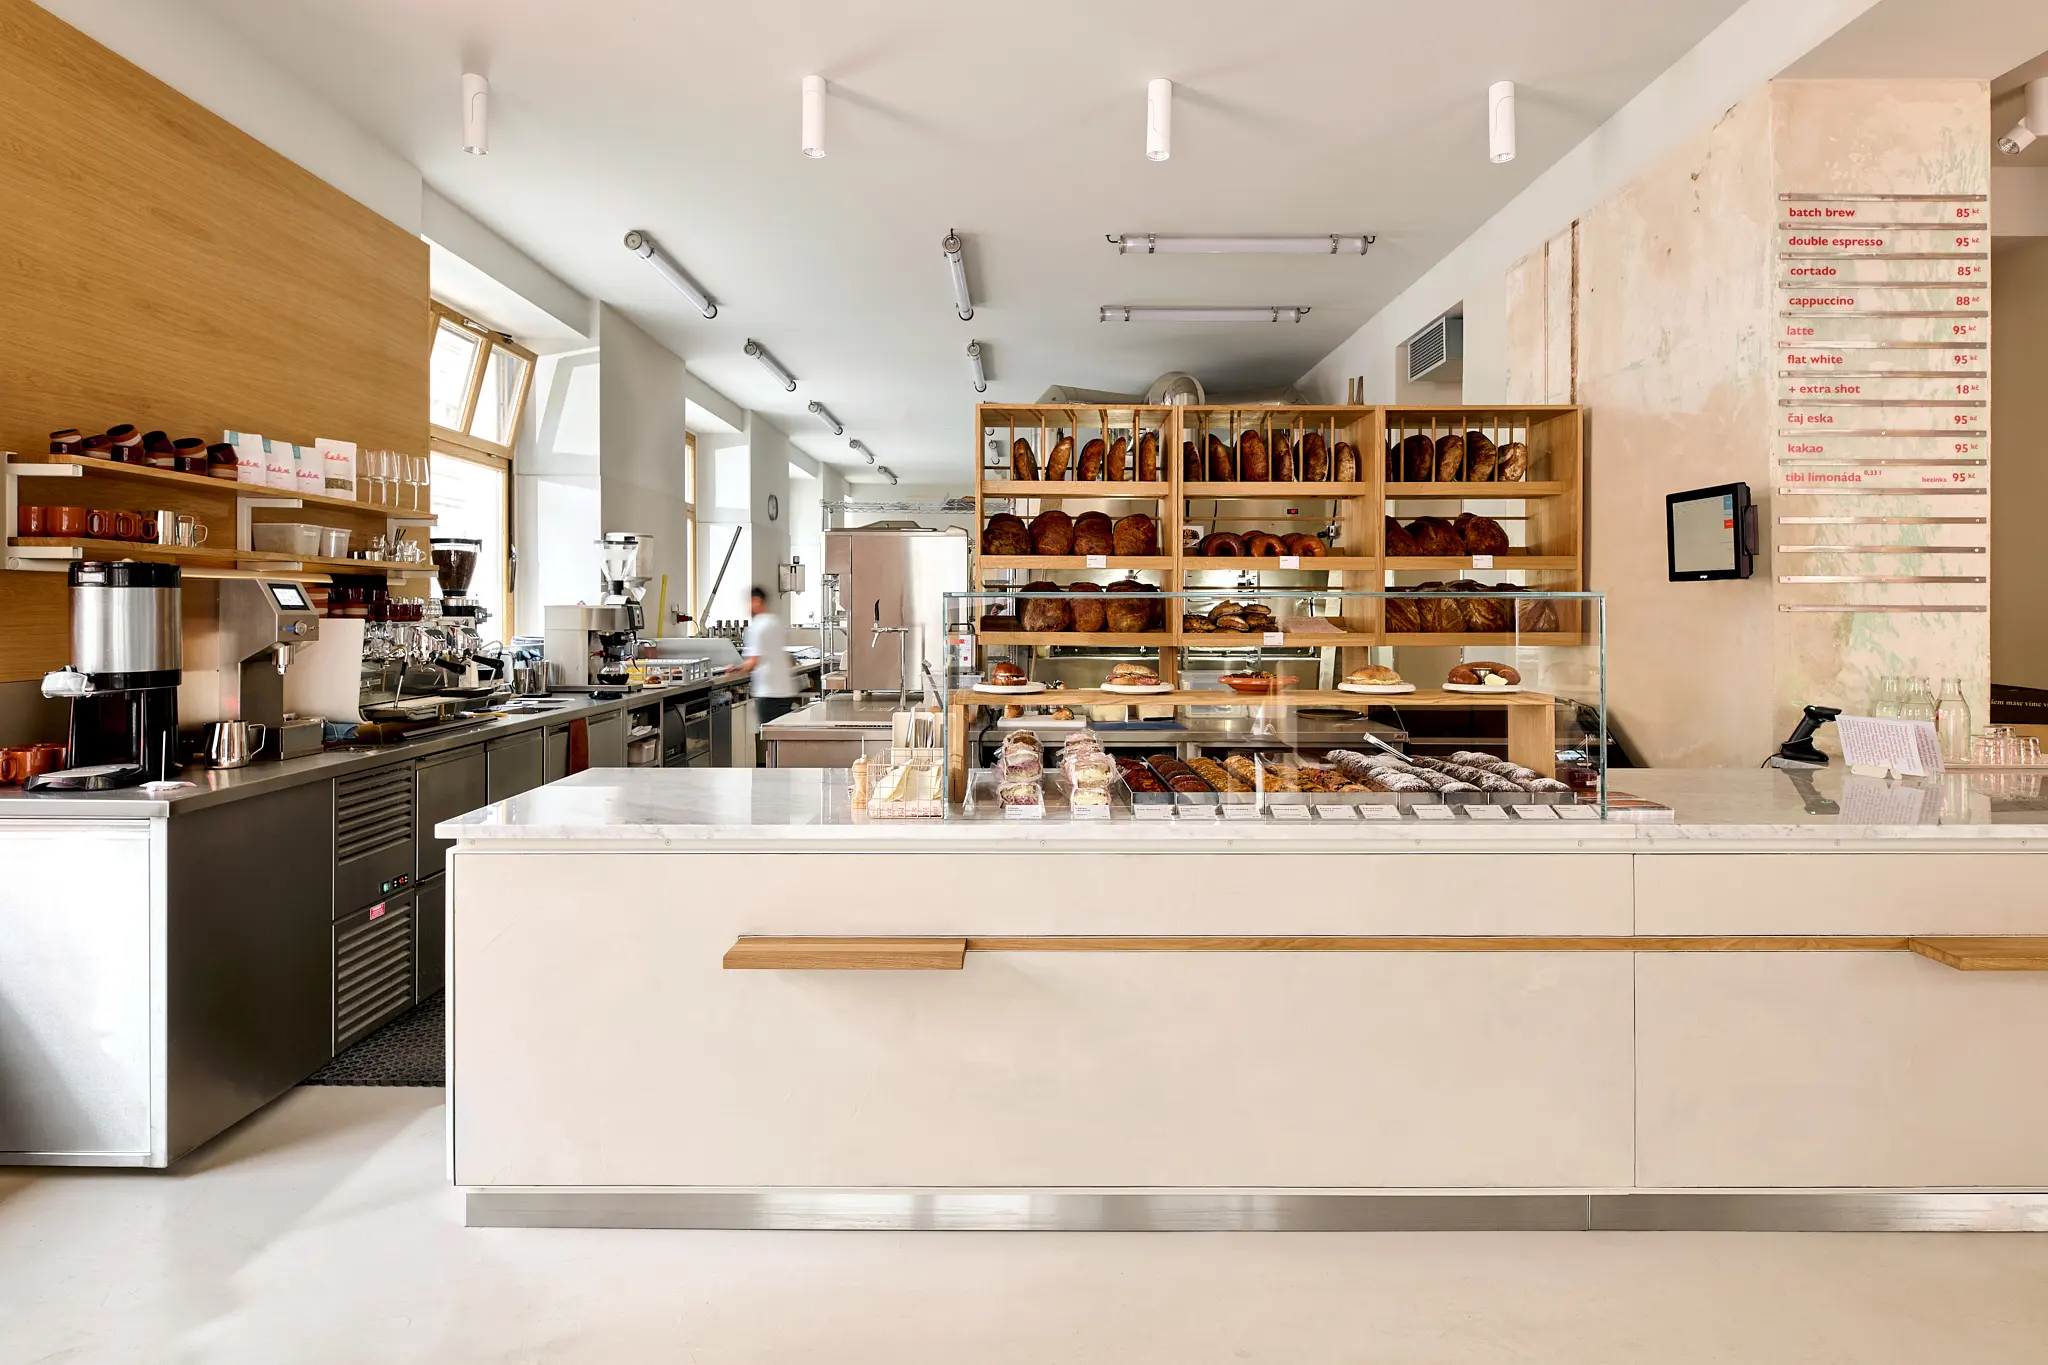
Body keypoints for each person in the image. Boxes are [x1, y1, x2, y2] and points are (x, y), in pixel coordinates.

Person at [738, 585, 799, 733]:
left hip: (769, 692)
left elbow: (754, 661)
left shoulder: (759, 626)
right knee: (780, 738)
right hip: (783, 690)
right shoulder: (774, 621)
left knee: (771, 738)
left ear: (757, 601)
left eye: (749, 602)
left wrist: (733, 670)